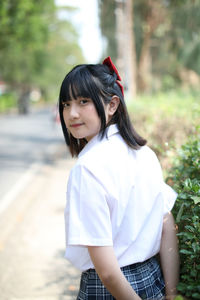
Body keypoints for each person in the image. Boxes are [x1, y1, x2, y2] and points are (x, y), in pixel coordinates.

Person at [58, 56, 179, 300]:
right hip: (153, 280)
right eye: (66, 103)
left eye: (83, 101)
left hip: (110, 291)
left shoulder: (87, 169)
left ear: (112, 105)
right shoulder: (145, 154)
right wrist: (171, 293)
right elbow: (168, 226)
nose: (71, 113)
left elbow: (109, 273)